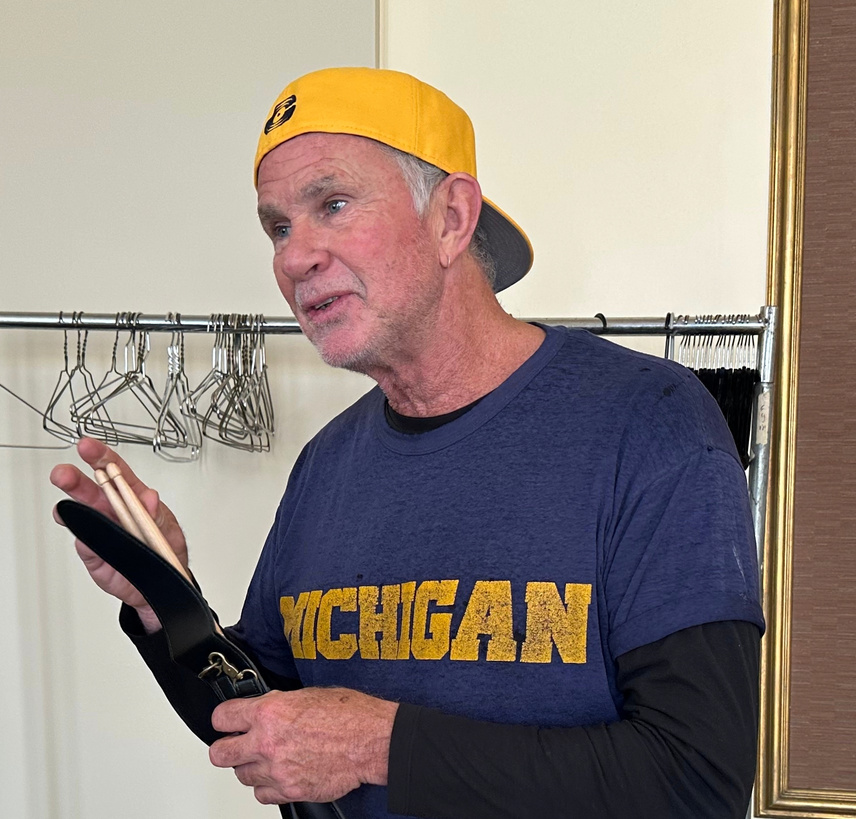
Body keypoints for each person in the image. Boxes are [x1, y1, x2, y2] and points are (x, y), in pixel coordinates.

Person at [51, 67, 765, 819]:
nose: (295, 258)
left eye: (332, 204)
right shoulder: (328, 464)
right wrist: (166, 598)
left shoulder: (646, 422)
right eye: (279, 226)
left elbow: (697, 780)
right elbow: (259, 723)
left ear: (452, 218)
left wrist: (381, 746)